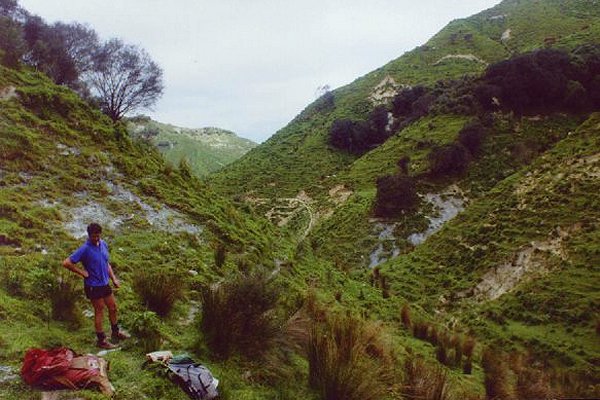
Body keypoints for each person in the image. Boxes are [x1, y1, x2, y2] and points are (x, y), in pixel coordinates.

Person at [63, 223, 129, 349]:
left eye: (98, 236)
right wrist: (82, 273)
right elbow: (66, 263)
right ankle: (101, 340)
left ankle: (115, 332)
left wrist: (114, 278)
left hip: (105, 283)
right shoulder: (85, 249)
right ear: (89, 235)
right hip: (93, 285)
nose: (96, 239)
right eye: (94, 236)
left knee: (113, 307)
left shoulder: (103, 244)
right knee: (99, 310)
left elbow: (106, 263)